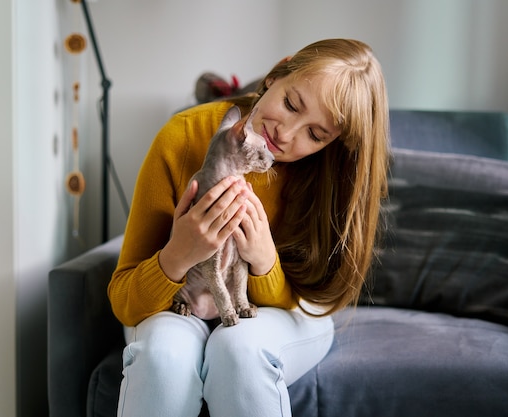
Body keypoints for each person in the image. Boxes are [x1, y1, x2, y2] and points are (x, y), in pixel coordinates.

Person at [108, 38, 390, 417]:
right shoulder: (183, 137)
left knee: (239, 349)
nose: (286, 134)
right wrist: (177, 256)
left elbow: (314, 300)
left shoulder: (328, 176)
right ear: (275, 76)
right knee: (164, 356)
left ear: (332, 144)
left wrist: (262, 260)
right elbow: (125, 301)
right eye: (291, 104)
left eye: (316, 134)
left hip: (286, 311)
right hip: (184, 301)